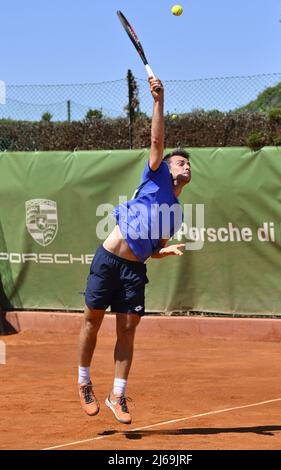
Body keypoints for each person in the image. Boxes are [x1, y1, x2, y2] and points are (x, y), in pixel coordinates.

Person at [78, 77, 192, 425]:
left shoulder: (177, 215)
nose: (186, 166)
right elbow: (157, 138)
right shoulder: (155, 174)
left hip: (133, 271)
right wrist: (159, 100)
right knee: (91, 322)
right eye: (180, 163)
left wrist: (165, 252)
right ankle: (83, 381)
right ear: (165, 168)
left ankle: (117, 394)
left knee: (128, 329)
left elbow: (150, 250)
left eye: (189, 165)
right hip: (107, 260)